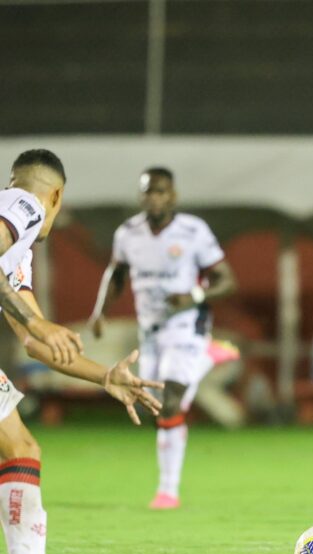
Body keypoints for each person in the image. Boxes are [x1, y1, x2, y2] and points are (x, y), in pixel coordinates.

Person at [0, 149, 163, 554]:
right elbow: (37, 327)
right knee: (19, 451)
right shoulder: (23, 207)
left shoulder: (17, 254)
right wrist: (37, 321)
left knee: (20, 450)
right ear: (57, 196)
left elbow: (36, 341)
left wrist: (105, 376)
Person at [89, 168, 237, 510]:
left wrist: (194, 296)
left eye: (160, 191)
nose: (154, 197)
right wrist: (99, 311)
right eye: (148, 192)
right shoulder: (128, 233)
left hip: (186, 326)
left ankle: (167, 492)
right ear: (141, 196)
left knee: (171, 403)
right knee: (161, 407)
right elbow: (117, 272)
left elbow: (228, 281)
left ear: (173, 196)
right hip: (151, 332)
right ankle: (208, 358)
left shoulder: (193, 231)